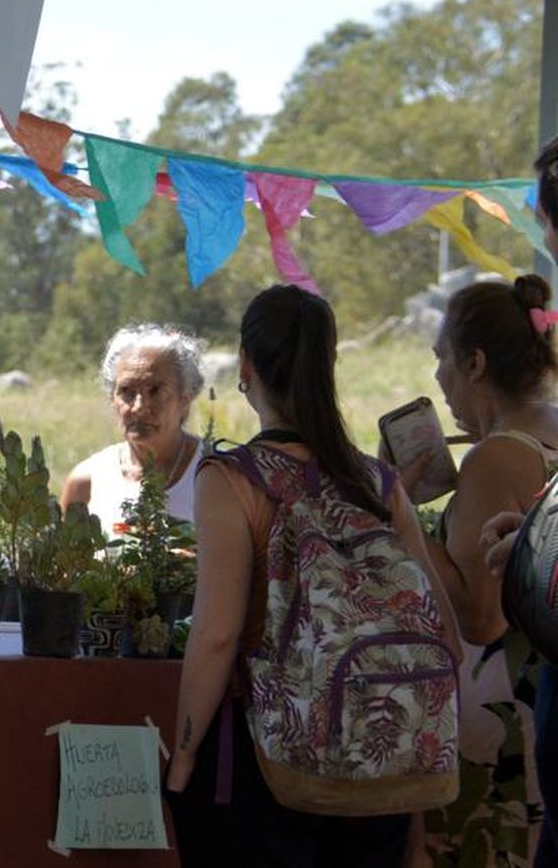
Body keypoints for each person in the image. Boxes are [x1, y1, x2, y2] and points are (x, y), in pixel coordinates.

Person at [165, 285, 460, 867]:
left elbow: (218, 637)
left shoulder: (232, 480)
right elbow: (442, 635)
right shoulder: (376, 482)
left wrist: (182, 756)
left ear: (245, 367)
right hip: (383, 775)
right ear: (328, 368)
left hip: (276, 764)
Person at [457, 137, 558, 868]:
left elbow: (480, 616)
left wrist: (402, 518)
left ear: (474, 364)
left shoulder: (497, 453)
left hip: (507, 740)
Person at [60, 324, 206, 538]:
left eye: (155, 391)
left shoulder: (221, 474)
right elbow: (63, 568)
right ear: (112, 399)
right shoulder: (86, 483)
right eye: (127, 392)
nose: (139, 406)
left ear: (185, 398)